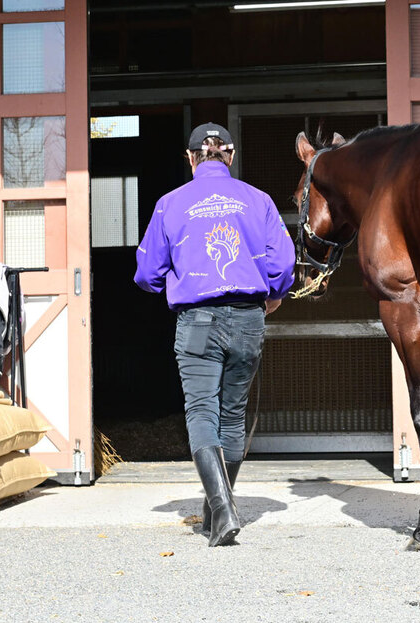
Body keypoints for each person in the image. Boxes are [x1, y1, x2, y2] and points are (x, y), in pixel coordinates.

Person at [134, 122, 295, 546]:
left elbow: (147, 273)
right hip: (247, 318)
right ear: (231, 155)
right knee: (232, 414)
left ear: (190, 158)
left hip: (198, 320)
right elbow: (283, 264)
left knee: (201, 411)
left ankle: (221, 509)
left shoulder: (170, 204)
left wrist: (176, 278)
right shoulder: (258, 201)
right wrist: (273, 294)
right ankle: (217, 510)